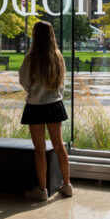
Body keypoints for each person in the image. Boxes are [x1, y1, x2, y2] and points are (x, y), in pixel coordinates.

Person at [19, 21, 72, 201]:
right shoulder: (58, 56)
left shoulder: (31, 57)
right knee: (59, 146)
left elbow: (23, 81)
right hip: (54, 104)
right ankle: (67, 185)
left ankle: (42, 190)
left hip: (35, 105)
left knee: (40, 149)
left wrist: (34, 91)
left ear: (35, 35)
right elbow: (62, 83)